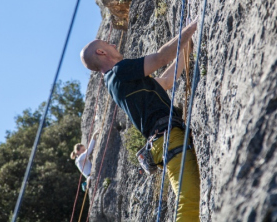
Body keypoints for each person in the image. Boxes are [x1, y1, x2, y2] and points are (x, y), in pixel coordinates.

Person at [80, 17, 200, 222]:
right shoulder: (119, 71)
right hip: (169, 138)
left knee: (187, 197)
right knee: (188, 200)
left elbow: (166, 81)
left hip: (165, 141)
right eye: (107, 44)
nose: (113, 44)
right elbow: (162, 57)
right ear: (101, 52)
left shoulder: (117, 82)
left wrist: (184, 46)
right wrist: (196, 23)